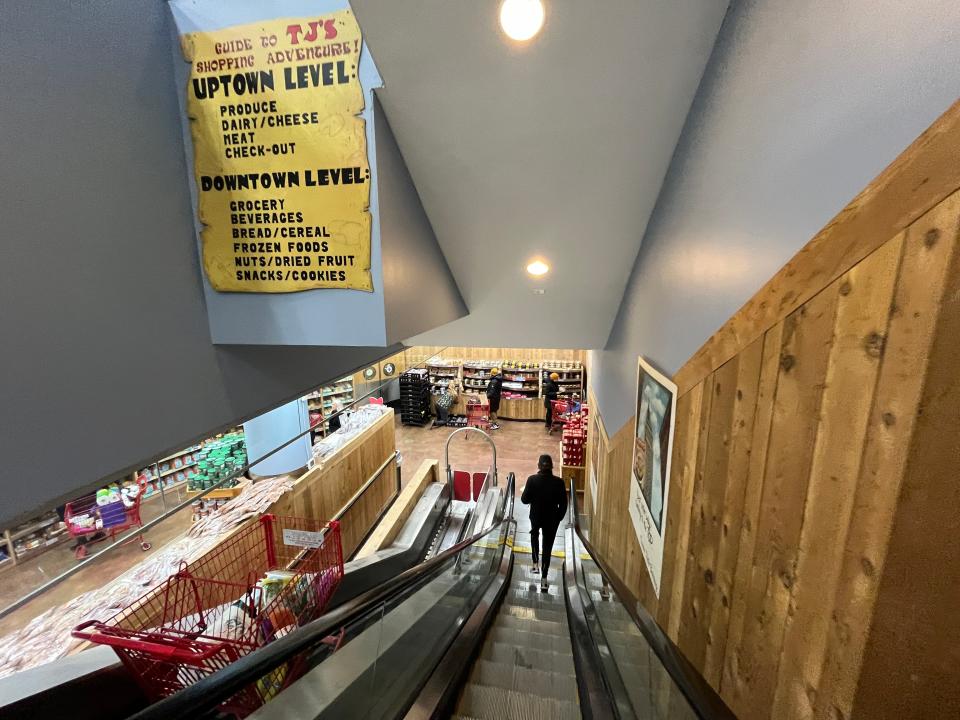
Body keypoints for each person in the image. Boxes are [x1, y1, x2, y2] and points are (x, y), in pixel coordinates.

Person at [521, 454, 567, 591]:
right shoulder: (559, 483)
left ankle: (535, 562)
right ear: (552, 467)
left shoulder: (532, 480)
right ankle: (544, 576)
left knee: (534, 534)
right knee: (548, 546)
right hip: (551, 519)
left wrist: (533, 497)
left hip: (536, 516)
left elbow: (524, 500)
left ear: (538, 466)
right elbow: (564, 504)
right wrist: (558, 518)